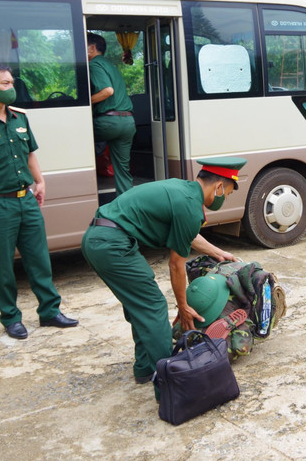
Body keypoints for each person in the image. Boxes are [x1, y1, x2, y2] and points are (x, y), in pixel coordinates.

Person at [80, 157, 245, 386]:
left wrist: (219, 253)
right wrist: (183, 306)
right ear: (218, 187)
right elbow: (176, 265)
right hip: (112, 244)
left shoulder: (184, 191)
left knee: (139, 304)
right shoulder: (190, 206)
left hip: (100, 238)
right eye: (226, 193)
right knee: (153, 306)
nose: (224, 198)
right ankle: (170, 383)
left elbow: (188, 234)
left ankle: (146, 368)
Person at [0, 61, 78, 340]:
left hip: (27, 201)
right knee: (3, 267)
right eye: (6, 83)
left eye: (12, 82)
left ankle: (50, 311)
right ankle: (11, 318)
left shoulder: (20, 118)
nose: (12, 88)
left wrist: (40, 181)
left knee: (40, 260)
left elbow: (30, 153)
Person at [87, 33, 136, 197]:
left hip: (108, 123)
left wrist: (85, 102)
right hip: (128, 122)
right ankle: (127, 204)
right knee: (122, 169)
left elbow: (107, 91)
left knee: (76, 139)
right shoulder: (110, 66)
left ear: (92, 48)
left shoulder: (94, 64)